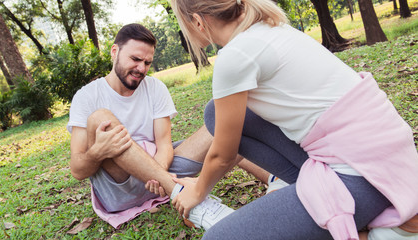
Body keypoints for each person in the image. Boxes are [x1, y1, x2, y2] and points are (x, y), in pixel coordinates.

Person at [168, 0, 418, 239]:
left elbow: (223, 155)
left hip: (367, 178)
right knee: (215, 113)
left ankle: (378, 231)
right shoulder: (270, 27)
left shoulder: (235, 57)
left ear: (197, 21)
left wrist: (198, 191)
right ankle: (312, 196)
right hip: (388, 157)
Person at [67, 23, 238, 230]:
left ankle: (278, 182)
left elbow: (164, 144)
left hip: (158, 176)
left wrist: (157, 175)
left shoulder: (155, 87)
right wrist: (96, 152)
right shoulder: (86, 96)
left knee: (228, 124)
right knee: (100, 117)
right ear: (115, 51)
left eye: (147, 62)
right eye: (135, 59)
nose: (141, 68)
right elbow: (77, 170)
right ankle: (189, 198)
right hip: (120, 189)